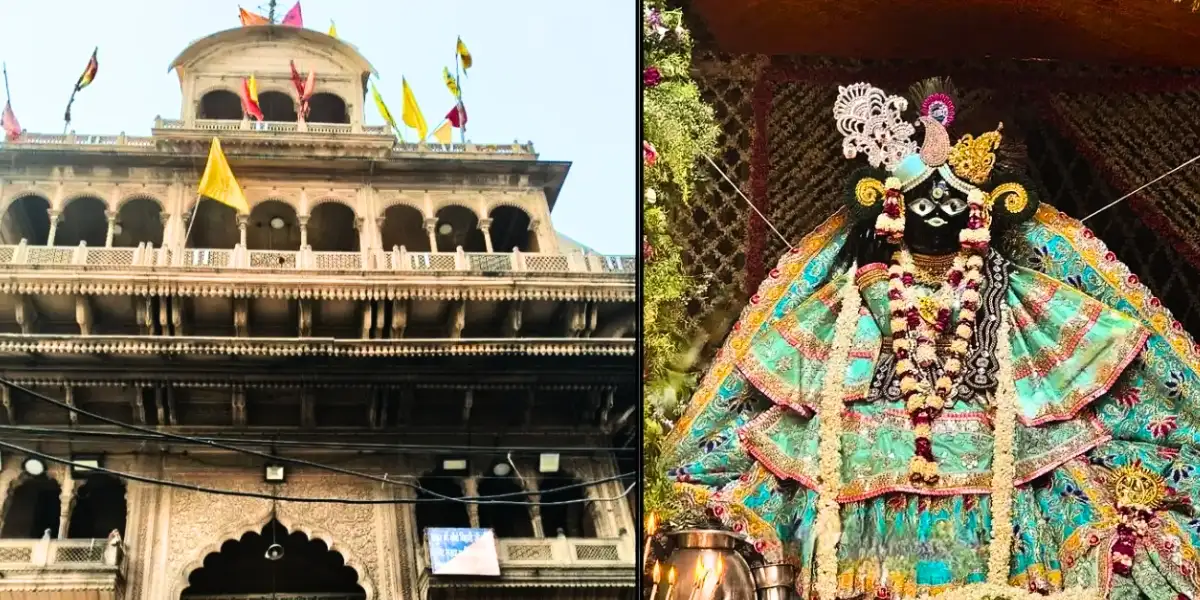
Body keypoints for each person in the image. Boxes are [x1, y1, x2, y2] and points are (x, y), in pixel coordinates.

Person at [660, 79, 1200, 600]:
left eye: (952, 201)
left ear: (982, 213)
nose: (936, 211)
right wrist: (875, 285)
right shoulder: (859, 288)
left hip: (994, 432)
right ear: (889, 209)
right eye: (918, 202)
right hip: (869, 432)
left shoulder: (1003, 287)